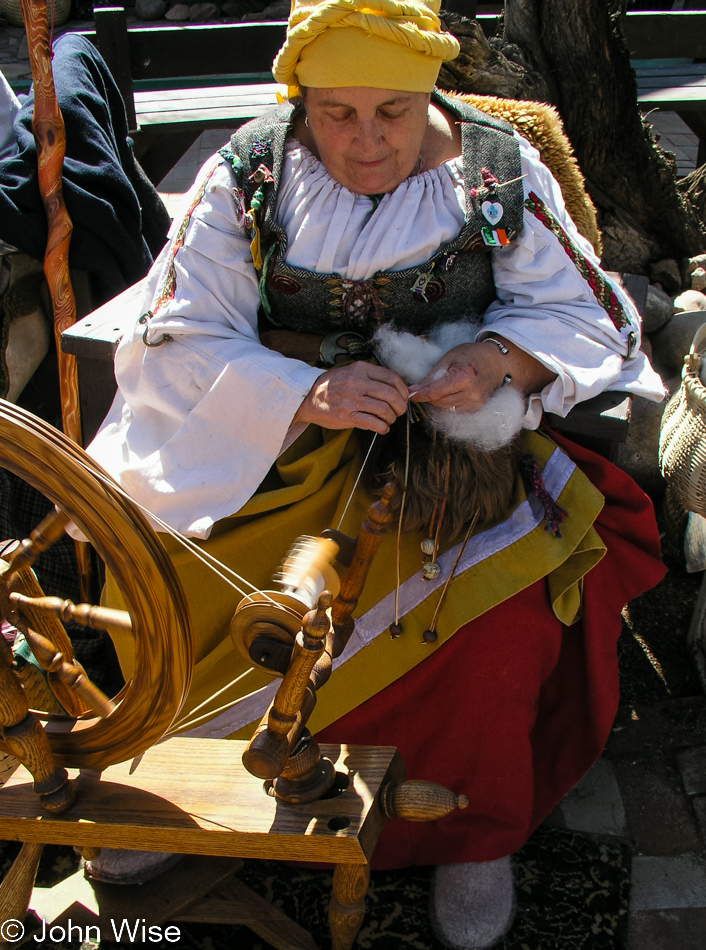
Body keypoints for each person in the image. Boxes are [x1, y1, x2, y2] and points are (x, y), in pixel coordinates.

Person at [87, 1, 667, 946]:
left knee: (493, 627)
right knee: (168, 565)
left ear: (430, 88)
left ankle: (470, 834)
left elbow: (595, 315)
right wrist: (302, 390)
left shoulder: (496, 176)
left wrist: (495, 362)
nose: (364, 143)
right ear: (299, 99)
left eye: (392, 112)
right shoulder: (250, 174)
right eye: (336, 114)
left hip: (454, 451)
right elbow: (176, 327)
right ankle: (182, 787)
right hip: (274, 445)